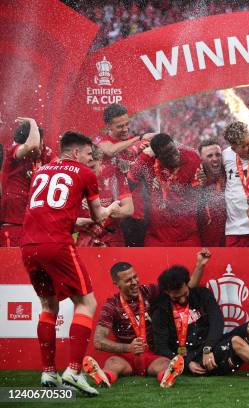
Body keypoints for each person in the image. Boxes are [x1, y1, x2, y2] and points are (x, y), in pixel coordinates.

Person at [20, 131, 120, 396]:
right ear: (75, 153)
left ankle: (48, 372)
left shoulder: (42, 172)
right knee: (86, 303)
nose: (91, 160)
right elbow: (100, 217)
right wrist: (112, 209)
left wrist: (75, 222)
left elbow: (45, 210)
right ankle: (74, 371)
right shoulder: (85, 174)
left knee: (48, 305)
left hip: (29, 246)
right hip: (58, 245)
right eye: (89, 154)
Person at [83, 250, 210, 388]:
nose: (134, 282)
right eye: (128, 280)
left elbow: (184, 288)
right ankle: (105, 377)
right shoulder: (111, 305)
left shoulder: (148, 292)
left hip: (152, 356)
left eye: (135, 277)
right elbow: (98, 341)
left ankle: (166, 377)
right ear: (116, 283)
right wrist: (128, 348)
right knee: (112, 363)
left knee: (165, 363)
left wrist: (199, 266)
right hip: (126, 358)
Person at [128, 133, 201, 246]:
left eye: (173, 150)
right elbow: (131, 178)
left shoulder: (191, 157)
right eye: (167, 155)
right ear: (157, 157)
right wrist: (144, 155)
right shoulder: (148, 161)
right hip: (157, 237)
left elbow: (200, 189)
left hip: (188, 235)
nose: (173, 156)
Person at [97, 103, 153, 246]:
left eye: (127, 124)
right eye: (120, 126)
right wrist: (139, 138)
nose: (125, 129)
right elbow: (110, 151)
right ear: (109, 125)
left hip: (138, 211)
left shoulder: (134, 143)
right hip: (116, 212)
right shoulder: (101, 140)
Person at [1, 118, 55, 247]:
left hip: (34, 224)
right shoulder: (13, 151)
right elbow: (32, 145)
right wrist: (32, 122)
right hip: (14, 224)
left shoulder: (44, 153)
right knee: (12, 264)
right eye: (40, 140)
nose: (41, 145)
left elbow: (60, 167)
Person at [76, 144, 134, 247]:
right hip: (85, 241)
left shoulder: (114, 175)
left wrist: (109, 212)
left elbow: (129, 209)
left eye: (92, 167)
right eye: (85, 168)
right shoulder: (73, 179)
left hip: (112, 239)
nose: (89, 172)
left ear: (100, 161)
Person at [196, 139, 226, 247]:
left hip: (230, 239)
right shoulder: (195, 180)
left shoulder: (230, 174)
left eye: (218, 155)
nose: (215, 159)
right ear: (201, 159)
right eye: (209, 156)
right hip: (205, 243)